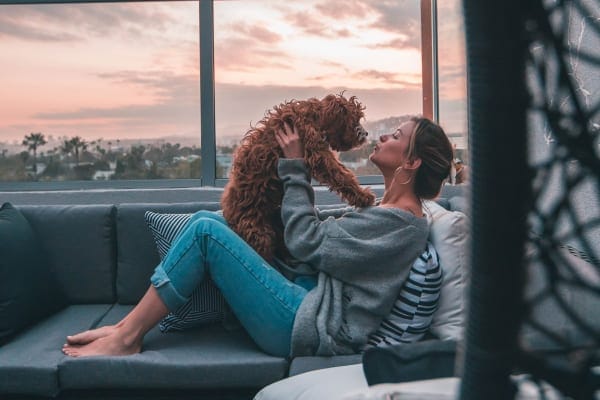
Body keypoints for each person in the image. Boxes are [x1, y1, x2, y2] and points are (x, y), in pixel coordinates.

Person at [61, 115, 454, 359]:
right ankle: (125, 327)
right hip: (304, 294)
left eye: (396, 136)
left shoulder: (402, 225)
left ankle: (127, 337)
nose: (384, 136)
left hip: (304, 325)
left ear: (411, 161)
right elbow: (325, 241)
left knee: (203, 232)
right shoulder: (387, 212)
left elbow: (307, 242)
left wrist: (294, 166)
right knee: (207, 217)